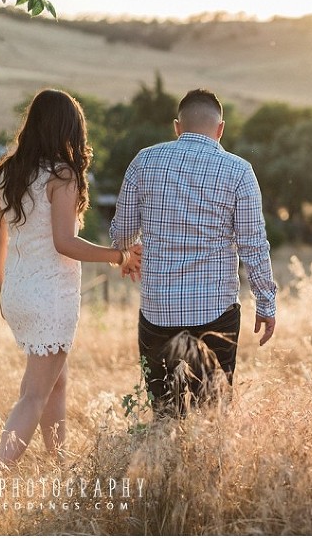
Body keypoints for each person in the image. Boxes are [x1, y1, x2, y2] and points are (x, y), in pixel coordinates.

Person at [0, 88, 141, 465]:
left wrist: (6, 292)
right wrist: (118, 256)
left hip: (19, 291)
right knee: (33, 395)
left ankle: (59, 467)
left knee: (56, 383)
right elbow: (65, 243)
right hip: (49, 297)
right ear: (68, 129)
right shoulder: (62, 175)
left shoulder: (8, 172)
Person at [110, 88, 277, 415]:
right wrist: (266, 302)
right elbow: (253, 244)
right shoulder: (238, 170)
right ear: (220, 129)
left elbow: (122, 232)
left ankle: (163, 463)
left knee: (164, 412)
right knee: (212, 415)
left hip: (157, 312)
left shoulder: (144, 161)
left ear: (177, 126)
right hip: (215, 313)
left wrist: (129, 251)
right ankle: (206, 465)